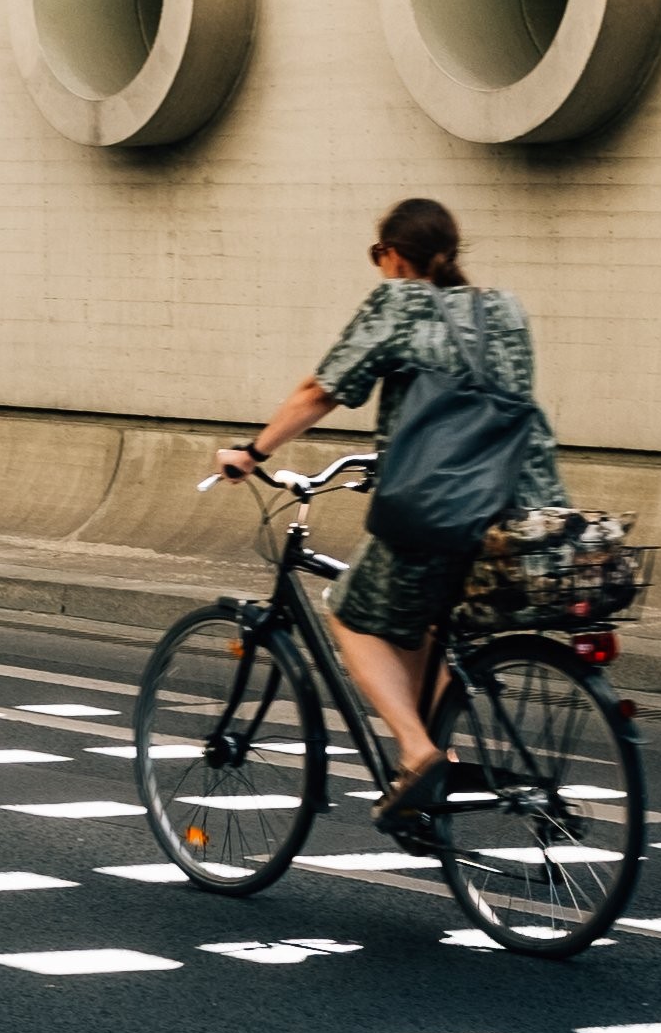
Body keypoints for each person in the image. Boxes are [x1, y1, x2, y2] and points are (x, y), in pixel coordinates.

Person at [216, 198, 564, 841]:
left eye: (380, 255)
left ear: (396, 255)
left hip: (440, 507)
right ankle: (443, 770)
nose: (381, 266)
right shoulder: (504, 309)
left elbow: (321, 391)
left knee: (351, 611)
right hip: (520, 510)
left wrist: (253, 451)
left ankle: (418, 751)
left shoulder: (398, 304)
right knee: (425, 622)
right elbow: (487, 404)